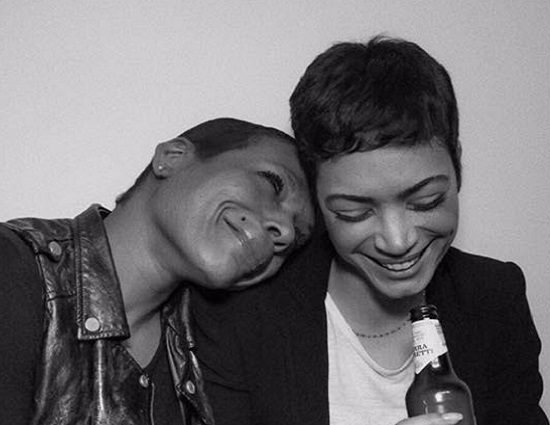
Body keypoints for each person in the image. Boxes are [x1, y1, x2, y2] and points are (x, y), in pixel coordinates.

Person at [193, 37, 548, 425]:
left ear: (457, 164)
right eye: (355, 212)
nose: (398, 241)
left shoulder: (493, 297)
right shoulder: (243, 312)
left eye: (426, 200)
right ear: (315, 195)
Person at [0, 118, 314, 425]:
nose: (283, 230)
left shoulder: (210, 358)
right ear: (172, 157)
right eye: (273, 183)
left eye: (295, 237)